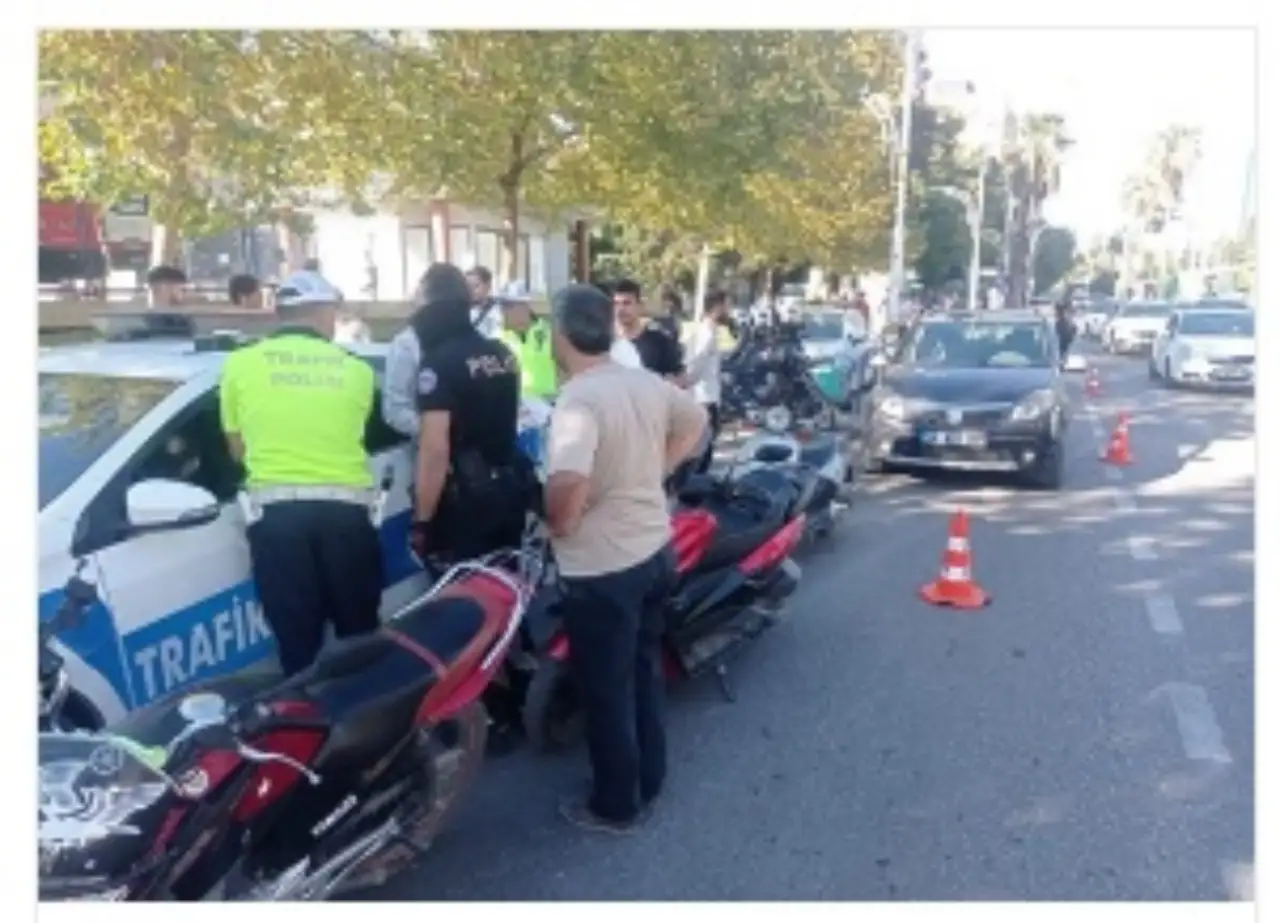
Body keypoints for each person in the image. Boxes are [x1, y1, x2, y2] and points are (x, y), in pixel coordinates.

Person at [543, 283, 708, 833]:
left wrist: (559, 525)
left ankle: (616, 805)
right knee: (642, 672)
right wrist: (653, 471)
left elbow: (567, 490)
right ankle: (649, 779)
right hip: (654, 550)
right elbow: (696, 422)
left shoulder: (579, 401)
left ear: (561, 335)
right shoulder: (643, 382)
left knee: (606, 689)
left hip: (603, 568)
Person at [218, 269, 382, 677]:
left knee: (297, 642)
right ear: (325, 313)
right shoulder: (356, 370)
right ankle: (366, 729)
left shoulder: (238, 365)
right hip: (346, 516)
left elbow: (237, 449)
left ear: (279, 313)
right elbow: (351, 432)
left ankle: (304, 726)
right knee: (358, 637)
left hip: (277, 521)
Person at [408, 263, 532, 565]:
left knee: (469, 599)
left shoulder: (438, 364)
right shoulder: (502, 353)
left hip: (467, 505)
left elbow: (435, 450)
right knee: (506, 591)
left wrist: (422, 522)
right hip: (510, 489)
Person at [684, 288, 731, 474]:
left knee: (705, 450)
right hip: (704, 399)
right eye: (727, 305)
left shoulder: (708, 330)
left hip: (707, 396)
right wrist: (687, 382)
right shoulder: (707, 333)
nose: (729, 310)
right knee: (702, 453)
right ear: (718, 307)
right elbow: (696, 362)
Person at [613, 279, 685, 382]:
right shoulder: (606, 343)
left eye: (626, 303)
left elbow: (679, 379)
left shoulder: (659, 341)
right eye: (616, 303)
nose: (620, 309)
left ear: (639, 305)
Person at [496, 281, 557, 400]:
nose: (502, 311)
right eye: (502, 306)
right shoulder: (498, 338)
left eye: (507, 306)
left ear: (524, 307)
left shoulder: (549, 332)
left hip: (549, 403)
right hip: (516, 405)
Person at [466, 265, 504, 340]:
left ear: (488, 286)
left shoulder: (497, 310)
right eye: (468, 286)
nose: (471, 290)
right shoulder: (463, 310)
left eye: (476, 286)